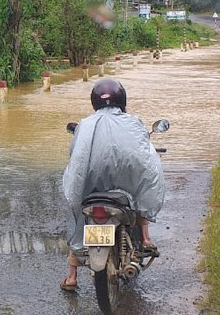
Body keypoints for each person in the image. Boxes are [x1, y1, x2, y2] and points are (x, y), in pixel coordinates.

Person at [60, 78, 165, 291]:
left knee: (79, 214)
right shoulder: (134, 122)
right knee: (142, 192)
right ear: (122, 99)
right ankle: (145, 239)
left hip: (94, 189)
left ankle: (71, 277)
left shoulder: (85, 125)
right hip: (126, 186)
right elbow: (145, 157)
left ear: (94, 101)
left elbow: (75, 158)